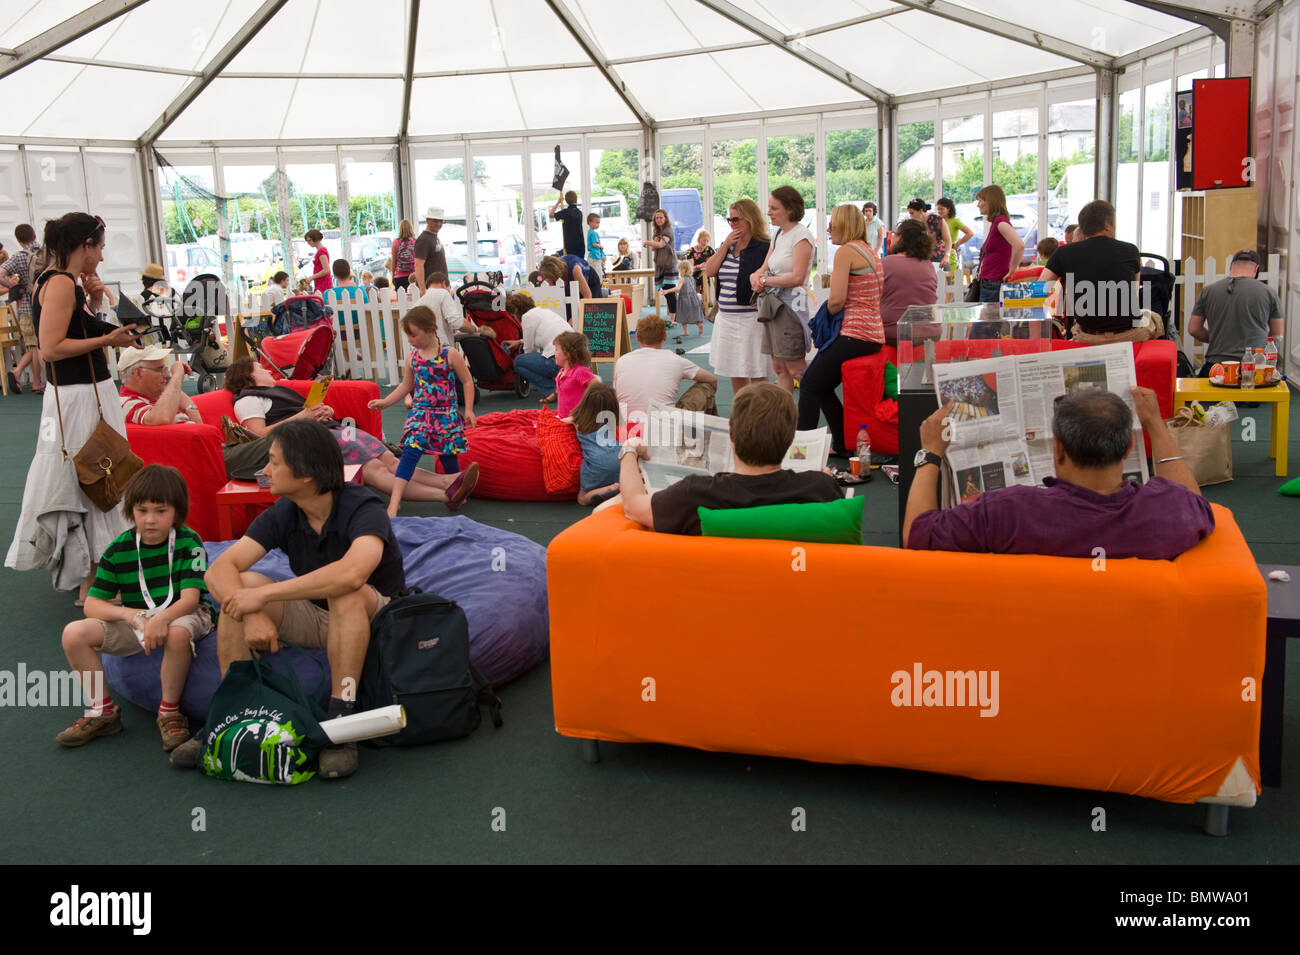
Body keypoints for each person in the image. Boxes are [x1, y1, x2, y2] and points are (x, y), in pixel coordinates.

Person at [185, 419, 409, 778]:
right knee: (238, 590)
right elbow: (219, 570)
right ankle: (229, 715)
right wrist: (252, 612)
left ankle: (342, 722)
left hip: (375, 619)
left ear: (305, 473)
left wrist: (264, 595)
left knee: (344, 593)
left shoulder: (362, 507)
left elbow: (352, 573)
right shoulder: (285, 511)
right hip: (317, 616)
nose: (265, 470)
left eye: (273, 461)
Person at [6, 213, 142, 604]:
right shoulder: (61, 283)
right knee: (97, 477)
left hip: (79, 394)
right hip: (80, 396)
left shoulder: (59, 281)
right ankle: (93, 583)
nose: (101, 255)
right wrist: (108, 340)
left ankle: (92, 578)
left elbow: (70, 333)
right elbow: (50, 349)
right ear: (84, 245)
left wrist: (97, 304)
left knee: (91, 478)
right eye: (99, 246)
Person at [903, 388, 1214, 558]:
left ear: (1058, 450)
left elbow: (917, 535)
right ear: (1127, 447)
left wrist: (930, 453)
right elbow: (1196, 503)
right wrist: (1155, 424)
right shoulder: (1168, 511)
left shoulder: (1006, 512)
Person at [56, 466, 213, 752]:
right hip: (138, 617)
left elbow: (190, 599)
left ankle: (169, 712)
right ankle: (102, 711)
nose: (150, 519)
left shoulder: (192, 543)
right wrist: (131, 615)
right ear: (130, 511)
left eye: (160, 511)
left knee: (177, 634)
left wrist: (161, 619)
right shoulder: (117, 549)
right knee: (73, 633)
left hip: (184, 613)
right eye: (142, 510)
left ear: (177, 511)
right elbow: (91, 605)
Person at [224, 357, 475, 508]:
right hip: (314, 441)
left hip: (329, 430)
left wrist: (322, 412)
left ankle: (447, 481)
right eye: (259, 367)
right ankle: (443, 494)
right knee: (375, 470)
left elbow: (299, 415)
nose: (267, 369)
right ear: (247, 376)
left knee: (389, 459)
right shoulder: (246, 400)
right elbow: (259, 435)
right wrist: (305, 416)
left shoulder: (277, 391)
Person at [619, 382, 841, 535]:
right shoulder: (821, 490)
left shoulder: (693, 495)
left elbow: (632, 505)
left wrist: (629, 449)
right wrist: (825, 480)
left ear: (731, 435)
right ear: (791, 439)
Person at [368, 305, 477, 518]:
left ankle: (455, 492)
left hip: (446, 415)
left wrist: (470, 409)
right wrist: (386, 402)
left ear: (429, 330)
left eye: (413, 335)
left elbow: (467, 381)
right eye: (407, 335)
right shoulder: (412, 358)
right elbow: (405, 386)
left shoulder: (449, 354)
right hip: (421, 414)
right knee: (410, 453)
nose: (410, 340)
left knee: (448, 455)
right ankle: (395, 500)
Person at [797, 204, 883, 449]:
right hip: (871, 335)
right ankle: (844, 444)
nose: (828, 229)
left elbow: (836, 299)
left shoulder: (846, 251)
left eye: (832, 224)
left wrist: (826, 315)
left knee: (809, 384)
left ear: (843, 225)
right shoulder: (867, 249)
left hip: (854, 334)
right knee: (822, 388)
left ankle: (801, 451)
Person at [1040, 199, 1146, 343]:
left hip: (1088, 335)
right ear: (1107, 225)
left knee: (1076, 325)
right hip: (1128, 335)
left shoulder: (1063, 252)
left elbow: (1039, 289)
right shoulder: (1131, 250)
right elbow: (1134, 293)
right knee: (1155, 320)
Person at [703, 199, 771, 395]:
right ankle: (742, 415)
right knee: (735, 372)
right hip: (726, 319)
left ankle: (762, 417)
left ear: (750, 219)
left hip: (751, 319)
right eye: (729, 219)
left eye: (736, 219)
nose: (732, 224)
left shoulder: (763, 247)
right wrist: (725, 246)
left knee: (757, 372)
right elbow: (709, 271)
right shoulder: (729, 246)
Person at [753, 186, 814, 395]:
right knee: (779, 367)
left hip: (790, 308)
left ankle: (811, 411)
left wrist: (766, 280)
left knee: (795, 368)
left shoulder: (802, 235)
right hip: (773, 306)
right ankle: (786, 415)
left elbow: (797, 277)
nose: (768, 212)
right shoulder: (778, 234)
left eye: (773, 208)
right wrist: (756, 276)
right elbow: (764, 267)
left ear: (789, 209)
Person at [1188, 249, 1283, 374]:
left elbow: (1193, 329)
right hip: (1254, 367)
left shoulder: (1208, 291)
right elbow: (1277, 334)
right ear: (1256, 269)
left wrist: (1219, 339)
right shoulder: (1268, 292)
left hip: (1216, 366)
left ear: (1231, 266)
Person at [614, 314, 715, 425]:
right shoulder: (675, 360)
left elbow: (616, 396)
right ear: (665, 336)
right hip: (665, 430)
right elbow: (712, 380)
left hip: (628, 429)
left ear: (637, 337)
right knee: (705, 386)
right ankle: (710, 434)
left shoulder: (621, 361)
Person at [501, 291, 571, 402]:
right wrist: (519, 341)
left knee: (519, 362)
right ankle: (565, 388)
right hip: (575, 357)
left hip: (558, 361)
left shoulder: (527, 317)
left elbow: (529, 351)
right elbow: (545, 334)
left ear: (515, 311)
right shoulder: (544, 312)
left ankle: (552, 390)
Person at [0, 223, 44, 393]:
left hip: (26, 306)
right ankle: (40, 382)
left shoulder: (19, 257)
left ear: (18, 240)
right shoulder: (46, 253)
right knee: (40, 346)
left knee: (34, 345)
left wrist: (13, 286)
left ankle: (23, 375)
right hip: (44, 304)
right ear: (34, 234)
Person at [562, 382, 621, 507]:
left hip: (597, 461)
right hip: (620, 456)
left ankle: (610, 488)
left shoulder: (578, 419)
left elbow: (561, 422)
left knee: (582, 498)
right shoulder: (612, 419)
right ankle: (620, 486)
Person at [880, 219, 938, 344]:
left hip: (895, 333)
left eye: (894, 234)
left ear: (901, 238)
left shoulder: (886, 263)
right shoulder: (928, 265)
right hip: (932, 333)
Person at [118, 345, 202, 425]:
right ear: (138, 373)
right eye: (159, 369)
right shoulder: (127, 404)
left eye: (166, 369)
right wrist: (177, 376)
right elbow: (162, 418)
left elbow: (200, 430)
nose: (167, 375)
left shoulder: (156, 398)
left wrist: (190, 408)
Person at [973, 185, 1024, 303]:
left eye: (980, 201)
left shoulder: (1000, 223)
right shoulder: (997, 223)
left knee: (987, 321)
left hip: (993, 284)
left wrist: (1012, 270)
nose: (978, 205)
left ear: (990, 201)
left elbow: (1019, 245)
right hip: (990, 283)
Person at [552, 330, 596, 417]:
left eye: (557, 349)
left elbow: (598, 389)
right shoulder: (561, 372)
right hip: (564, 417)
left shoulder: (580, 372)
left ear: (567, 353)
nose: (554, 353)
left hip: (578, 420)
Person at [649, 209, 678, 323]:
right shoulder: (656, 231)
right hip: (660, 263)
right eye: (657, 218)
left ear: (665, 218)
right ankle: (672, 316)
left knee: (669, 291)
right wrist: (653, 242)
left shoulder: (668, 230)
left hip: (669, 264)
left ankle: (673, 317)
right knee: (665, 291)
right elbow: (653, 248)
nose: (659, 220)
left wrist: (648, 242)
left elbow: (661, 244)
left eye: (661, 217)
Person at [413, 207, 448, 294]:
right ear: (427, 220)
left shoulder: (433, 237)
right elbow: (418, 265)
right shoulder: (424, 239)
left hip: (439, 287)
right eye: (435, 221)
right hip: (431, 289)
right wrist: (422, 289)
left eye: (441, 221)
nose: (439, 223)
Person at [906, 199, 950, 268]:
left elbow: (948, 240)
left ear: (920, 211)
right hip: (920, 261)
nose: (911, 216)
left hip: (939, 260)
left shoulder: (938, 220)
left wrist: (947, 256)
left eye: (912, 213)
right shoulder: (913, 225)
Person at [666, 258, 704, 336]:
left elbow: (678, 288)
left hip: (684, 299)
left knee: (682, 314)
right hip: (694, 299)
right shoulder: (692, 278)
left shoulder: (682, 279)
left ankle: (685, 331)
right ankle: (698, 324)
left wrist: (667, 291)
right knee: (693, 314)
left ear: (681, 270)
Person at [935, 198, 973, 273]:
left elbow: (970, 233)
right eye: (938, 209)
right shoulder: (937, 221)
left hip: (950, 253)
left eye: (942, 209)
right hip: (938, 253)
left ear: (948, 209)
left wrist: (957, 244)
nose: (939, 211)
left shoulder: (955, 221)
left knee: (950, 278)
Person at [550, 191, 585, 257]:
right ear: (576, 199)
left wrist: (558, 202)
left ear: (566, 201)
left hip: (570, 246)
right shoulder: (579, 213)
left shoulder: (565, 212)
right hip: (581, 245)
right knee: (580, 265)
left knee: (571, 265)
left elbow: (551, 215)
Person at [685, 230, 714, 297]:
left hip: (705, 275)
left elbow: (715, 261)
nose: (705, 243)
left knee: (704, 276)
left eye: (707, 241)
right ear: (699, 239)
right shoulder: (691, 251)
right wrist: (699, 266)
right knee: (702, 276)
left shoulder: (709, 250)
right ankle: (704, 301)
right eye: (704, 240)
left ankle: (705, 302)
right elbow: (690, 269)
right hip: (693, 275)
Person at [390, 219, 417, 290]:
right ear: (411, 228)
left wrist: (392, 276)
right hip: (413, 277)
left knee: (401, 299)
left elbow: (393, 262)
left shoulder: (396, 242)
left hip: (399, 276)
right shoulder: (415, 242)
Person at [586, 212, 604, 282]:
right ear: (590, 222)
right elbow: (594, 244)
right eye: (596, 222)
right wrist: (600, 246)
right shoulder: (594, 233)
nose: (598, 225)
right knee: (598, 275)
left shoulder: (590, 231)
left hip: (593, 256)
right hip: (594, 256)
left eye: (599, 223)